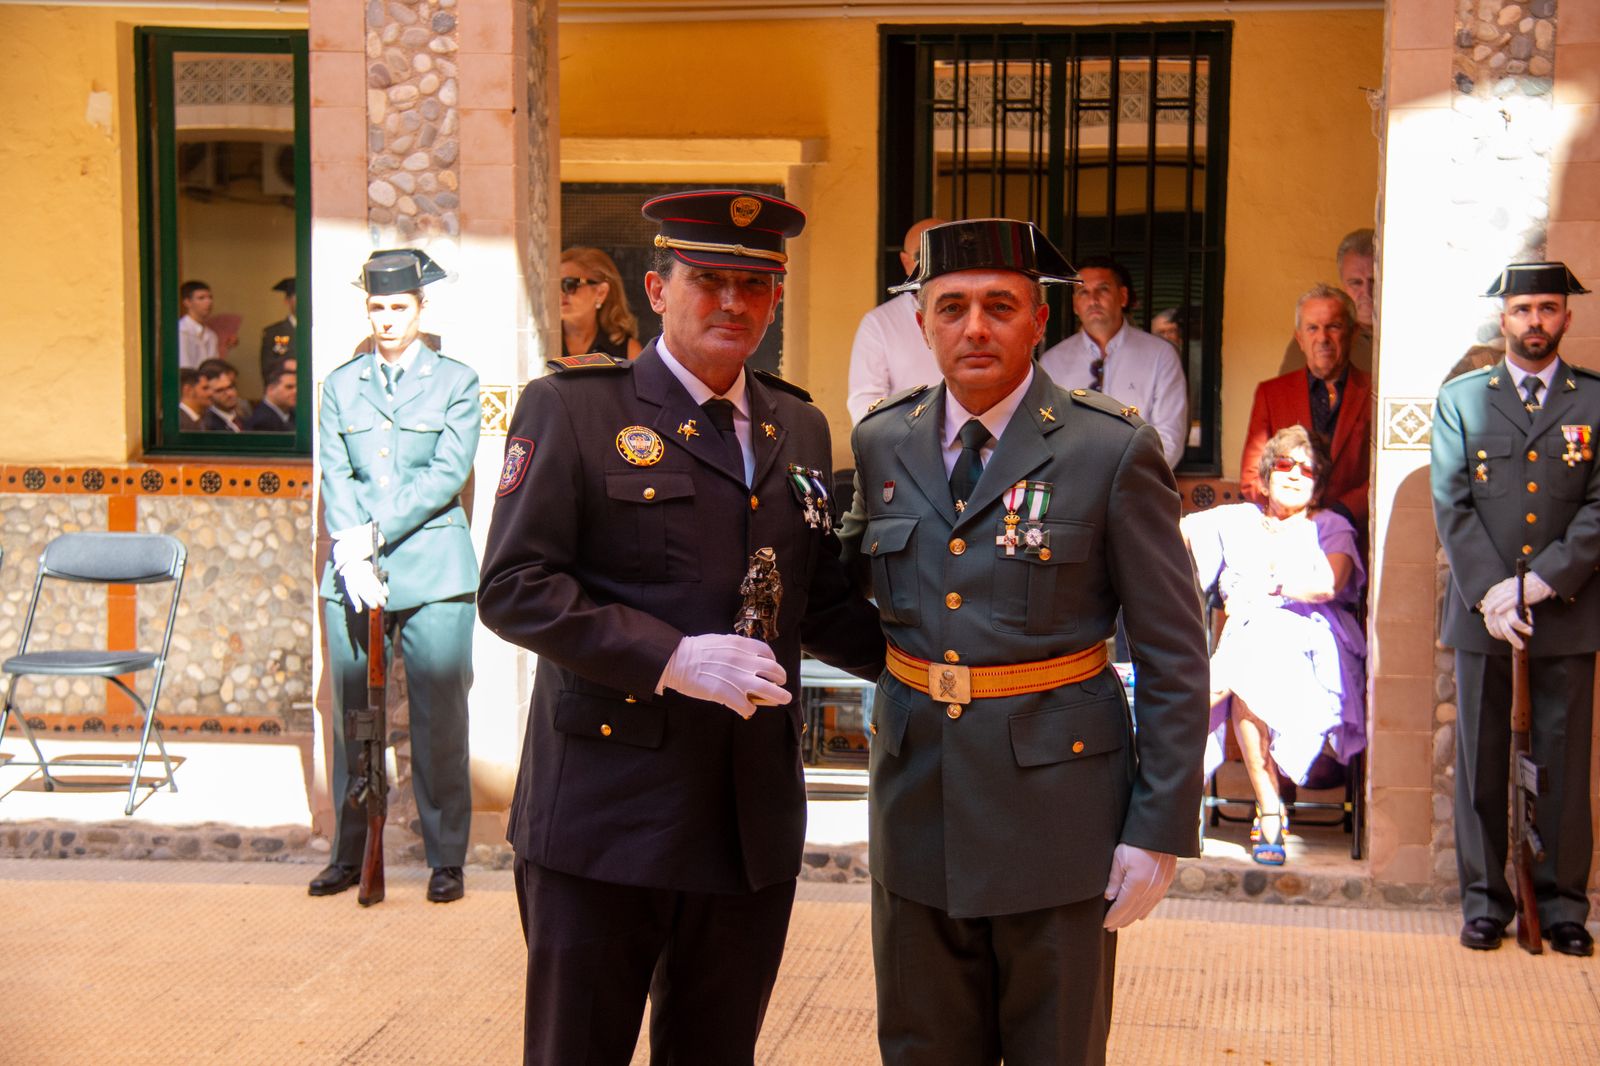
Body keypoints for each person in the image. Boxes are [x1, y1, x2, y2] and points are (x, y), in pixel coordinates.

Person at [477, 189, 885, 1066]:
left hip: (745, 819)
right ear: (658, 290)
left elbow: (814, 600)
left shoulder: (800, 425)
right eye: (707, 280)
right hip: (606, 814)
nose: (732, 302)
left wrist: (945, 670)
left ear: (775, 298)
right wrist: (670, 656)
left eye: (754, 284)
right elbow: (515, 586)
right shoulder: (576, 410)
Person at [838, 218, 1208, 1066]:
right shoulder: (882, 440)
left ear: (1041, 321)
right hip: (916, 803)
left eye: (1000, 306)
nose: (975, 327)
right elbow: (844, 599)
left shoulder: (1110, 448)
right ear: (922, 324)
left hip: (1060, 818)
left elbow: (1174, 653)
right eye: (952, 307)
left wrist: (1158, 827)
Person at [1431, 260, 1598, 957]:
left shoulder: (1593, 403)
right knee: (1479, 762)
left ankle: (1562, 904)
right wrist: (1493, 591)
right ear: (1504, 318)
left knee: (1562, 761)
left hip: (1565, 611)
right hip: (1482, 615)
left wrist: (1540, 582)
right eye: (1524, 308)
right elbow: (1451, 502)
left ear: (1566, 318)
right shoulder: (1464, 400)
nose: (1536, 321)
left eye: (1548, 309)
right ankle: (1484, 903)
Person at [309, 248, 478, 905]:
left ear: (420, 309)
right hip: (353, 572)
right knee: (353, 716)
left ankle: (447, 858)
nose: (385, 320)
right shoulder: (340, 384)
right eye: (376, 308)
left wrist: (369, 535)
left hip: (433, 568)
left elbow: (447, 472)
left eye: (398, 308)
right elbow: (337, 470)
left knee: (441, 719)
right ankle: (349, 853)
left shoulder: (455, 380)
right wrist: (350, 549)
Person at [1183, 425, 1366, 866]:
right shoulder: (1239, 520)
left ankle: (1205, 696)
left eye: (1307, 469)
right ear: (1265, 478)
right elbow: (1178, 528)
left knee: (1240, 664)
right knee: (1250, 666)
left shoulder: (1330, 526)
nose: (1295, 473)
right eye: (1284, 465)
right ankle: (1269, 807)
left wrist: (1274, 585)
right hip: (1250, 642)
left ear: (1318, 484)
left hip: (1311, 644)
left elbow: (1328, 584)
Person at [1240, 284, 1372, 530]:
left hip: (1354, 534)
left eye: (1333, 326)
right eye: (1312, 328)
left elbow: (1383, 474)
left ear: (1353, 334)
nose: (1322, 338)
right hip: (1284, 535)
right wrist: (1294, 511)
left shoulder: (1375, 393)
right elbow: (1251, 477)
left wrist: (1341, 513)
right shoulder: (1271, 394)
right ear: (1299, 338)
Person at [1037, 255, 1189, 467]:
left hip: (1138, 486)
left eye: (1103, 289)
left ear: (1123, 296)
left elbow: (1169, 436)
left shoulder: (1160, 355)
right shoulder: (1052, 361)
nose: (1093, 300)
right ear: (1074, 304)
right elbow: (1044, 431)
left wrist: (1130, 480)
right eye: (1083, 292)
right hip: (1072, 487)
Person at [845, 217, 948, 424]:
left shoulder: (978, 319)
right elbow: (865, 404)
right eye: (922, 254)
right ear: (906, 262)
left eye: (943, 250)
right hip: (906, 447)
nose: (933, 261)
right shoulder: (879, 323)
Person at [1276, 228, 1375, 376]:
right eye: (1356, 283)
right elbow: (1286, 396)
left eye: (1374, 281)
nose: (1367, 292)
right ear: (1343, 284)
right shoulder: (1316, 337)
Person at [558, 246, 642, 361]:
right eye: (555, 284)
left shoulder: (628, 351)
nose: (560, 292)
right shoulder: (537, 341)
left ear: (601, 292)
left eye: (569, 284)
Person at [177, 279, 236, 369]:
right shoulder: (181, 330)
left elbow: (213, 368)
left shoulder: (211, 335)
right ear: (187, 302)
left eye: (210, 298)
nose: (208, 302)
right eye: (201, 298)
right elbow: (183, 366)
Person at [260, 277, 296, 378]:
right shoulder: (272, 332)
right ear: (287, 301)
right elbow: (267, 368)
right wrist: (285, 364)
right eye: (297, 296)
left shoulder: (319, 330)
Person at [245, 364, 297, 432]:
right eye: (289, 387)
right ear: (270, 389)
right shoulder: (261, 421)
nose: (295, 391)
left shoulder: (293, 414)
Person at [199, 359, 243, 432]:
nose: (230, 394)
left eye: (230, 387)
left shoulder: (243, 416)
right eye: (220, 390)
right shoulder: (208, 426)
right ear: (207, 393)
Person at [176, 367, 210, 431]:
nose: (210, 393)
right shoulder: (180, 424)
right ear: (188, 390)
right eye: (205, 388)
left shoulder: (198, 420)